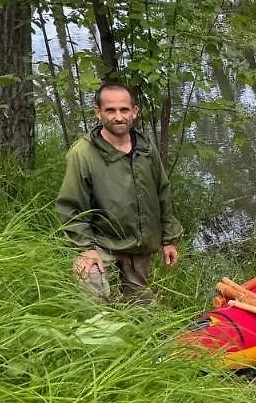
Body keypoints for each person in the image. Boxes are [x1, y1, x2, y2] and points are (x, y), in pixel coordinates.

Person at [56, 83, 183, 302]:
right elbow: (70, 207)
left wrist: (168, 239)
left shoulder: (145, 148)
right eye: (110, 110)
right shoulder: (83, 153)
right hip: (101, 242)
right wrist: (85, 248)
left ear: (134, 111)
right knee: (89, 281)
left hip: (139, 244)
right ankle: (99, 329)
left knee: (141, 307)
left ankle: (137, 328)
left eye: (124, 110)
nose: (118, 117)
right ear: (98, 112)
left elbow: (162, 191)